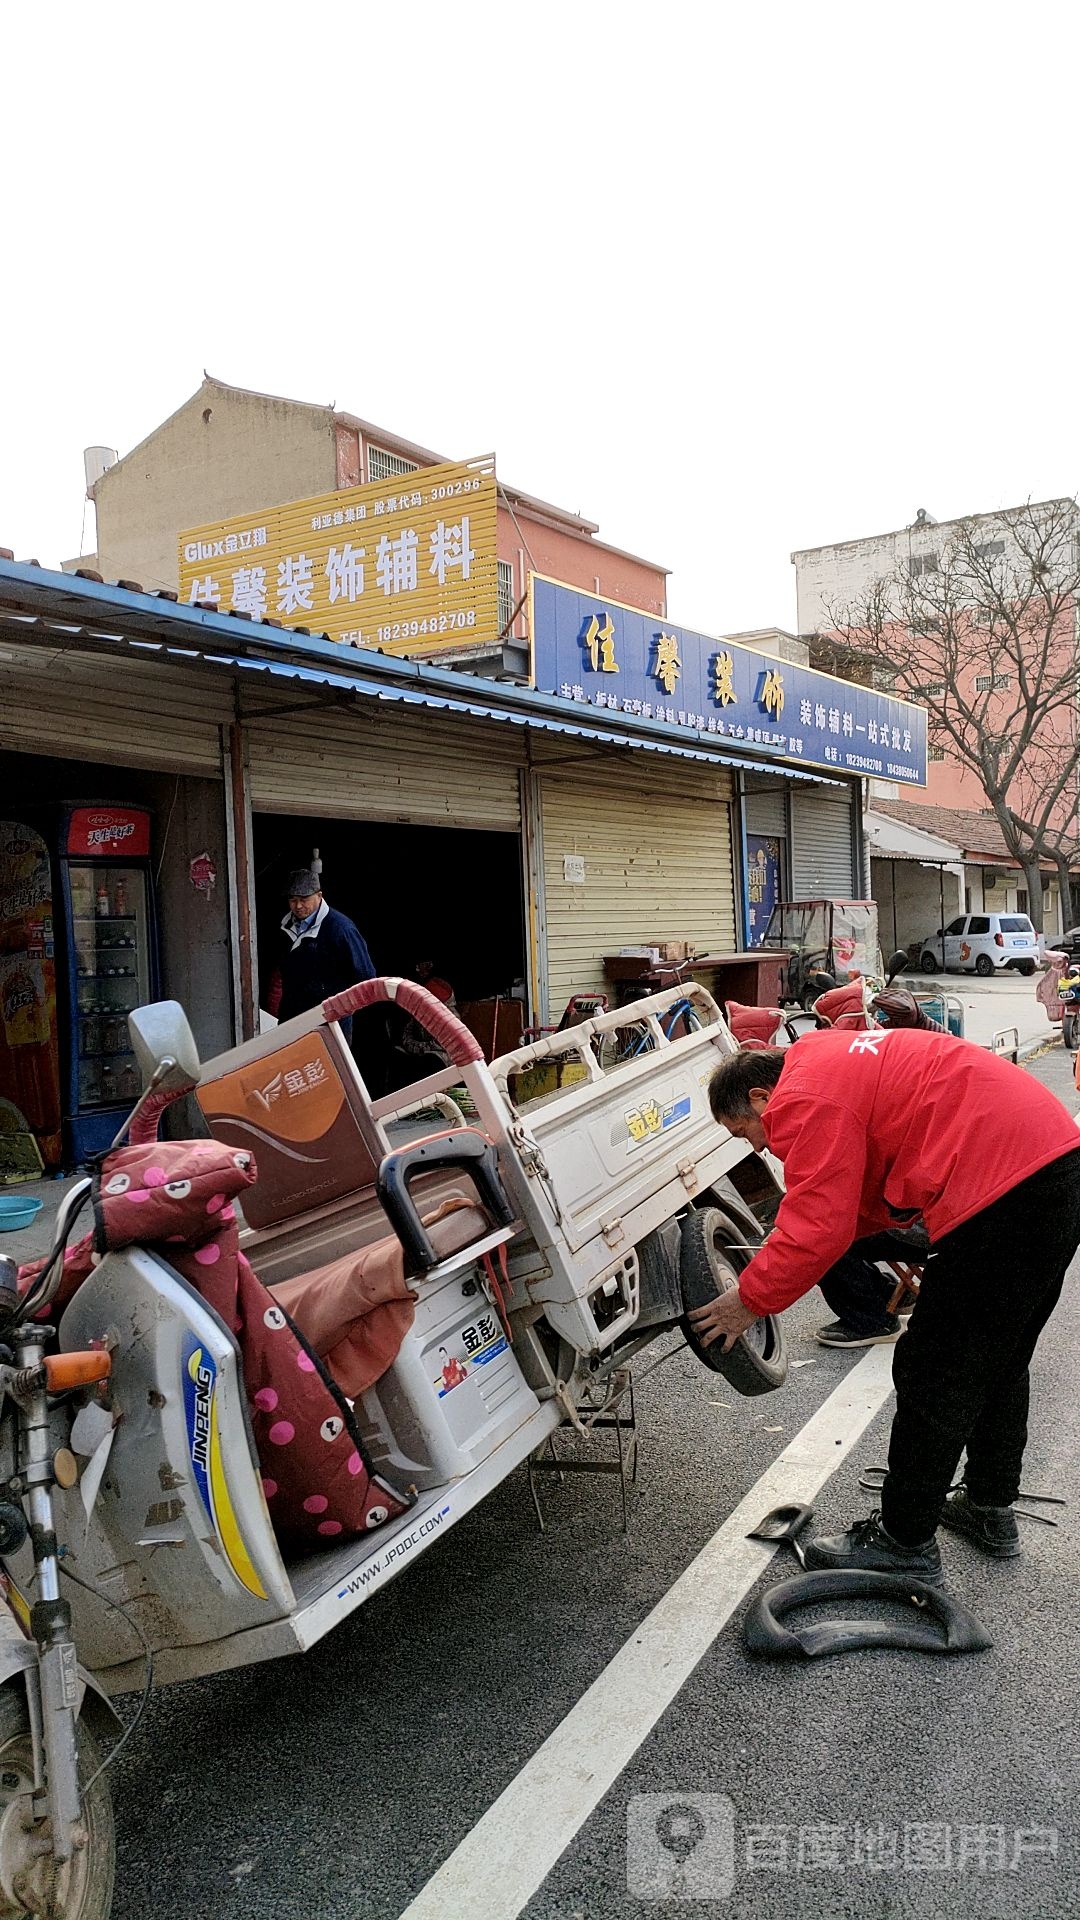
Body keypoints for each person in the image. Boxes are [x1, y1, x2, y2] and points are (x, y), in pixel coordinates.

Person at [692, 1027, 1080, 1584]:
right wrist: (812, 1243)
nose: (755, 1145)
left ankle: (904, 1540)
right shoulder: (827, 1061)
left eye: (744, 1131)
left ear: (760, 1098)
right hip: (1055, 1167)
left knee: (933, 1369)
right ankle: (990, 1507)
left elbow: (818, 1226)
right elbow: (859, 1198)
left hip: (1001, 1189)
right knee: (999, 1354)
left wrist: (749, 1300)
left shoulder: (804, 1097)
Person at [266, 869, 375, 1041]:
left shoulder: (341, 929)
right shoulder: (284, 926)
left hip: (331, 1022)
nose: (298, 906)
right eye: (293, 900)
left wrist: (343, 1007)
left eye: (304, 899)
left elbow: (366, 976)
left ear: (319, 895)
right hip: (292, 1018)